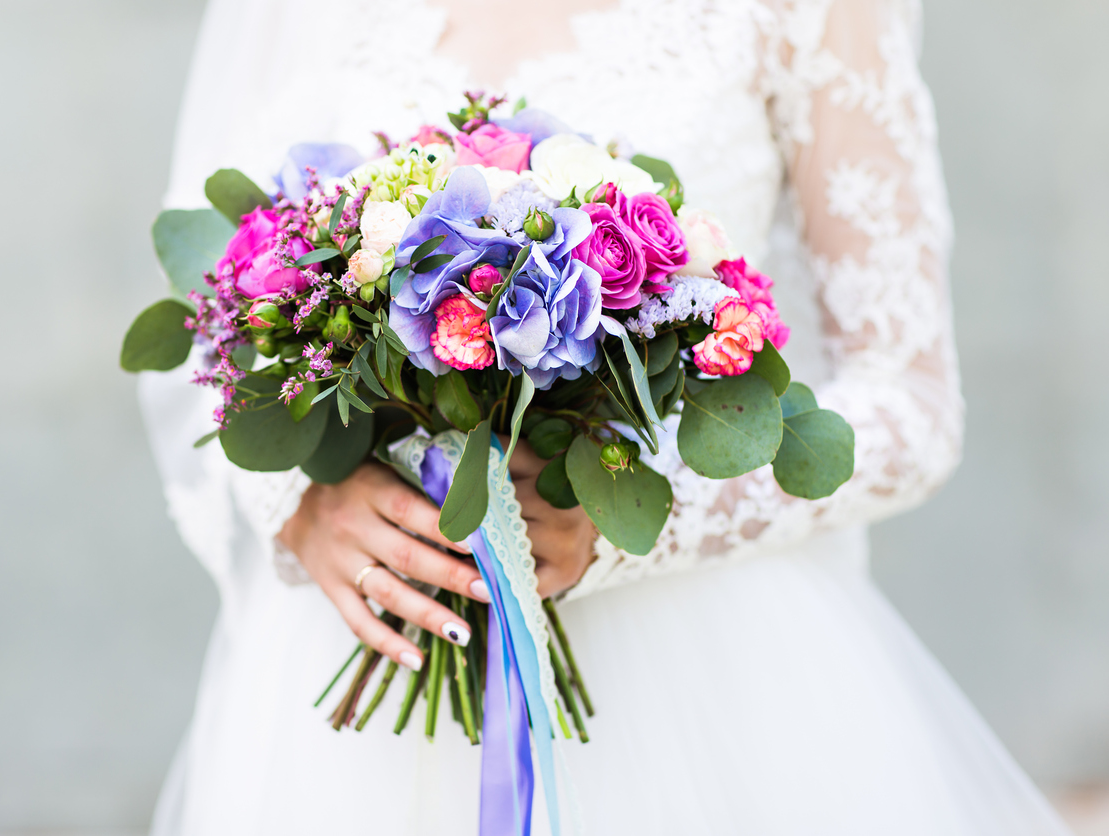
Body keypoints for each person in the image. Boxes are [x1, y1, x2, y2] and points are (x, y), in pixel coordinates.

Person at [139, 0, 1075, 833]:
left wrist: (627, 525)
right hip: (367, 675)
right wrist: (301, 508)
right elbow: (223, 312)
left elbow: (913, 406)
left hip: (698, 685)